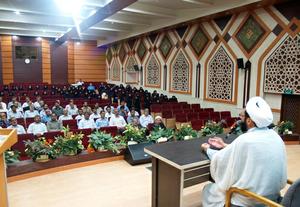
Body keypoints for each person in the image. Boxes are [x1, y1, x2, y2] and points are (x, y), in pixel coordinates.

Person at [200, 97, 287, 207]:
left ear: (249, 121)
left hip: (249, 201)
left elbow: (221, 159)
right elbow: (255, 150)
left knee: (208, 190)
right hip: (271, 199)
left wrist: (207, 149)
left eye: (243, 117)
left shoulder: (245, 140)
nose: (242, 119)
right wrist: (225, 145)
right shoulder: (276, 137)